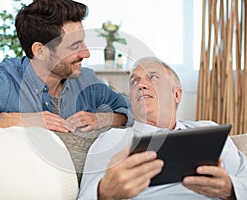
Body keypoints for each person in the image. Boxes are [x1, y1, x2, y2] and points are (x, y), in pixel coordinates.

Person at [0, 0, 132, 132]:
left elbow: (134, 109)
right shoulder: (3, 80)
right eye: (74, 46)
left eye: (82, 42)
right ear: (40, 51)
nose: (86, 53)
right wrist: (20, 120)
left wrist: (104, 119)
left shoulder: (86, 79)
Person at [78, 57, 247, 199]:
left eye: (152, 77)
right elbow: (86, 196)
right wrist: (105, 192)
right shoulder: (111, 140)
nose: (140, 85)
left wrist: (229, 189)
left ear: (176, 94)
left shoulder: (210, 131)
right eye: (134, 81)